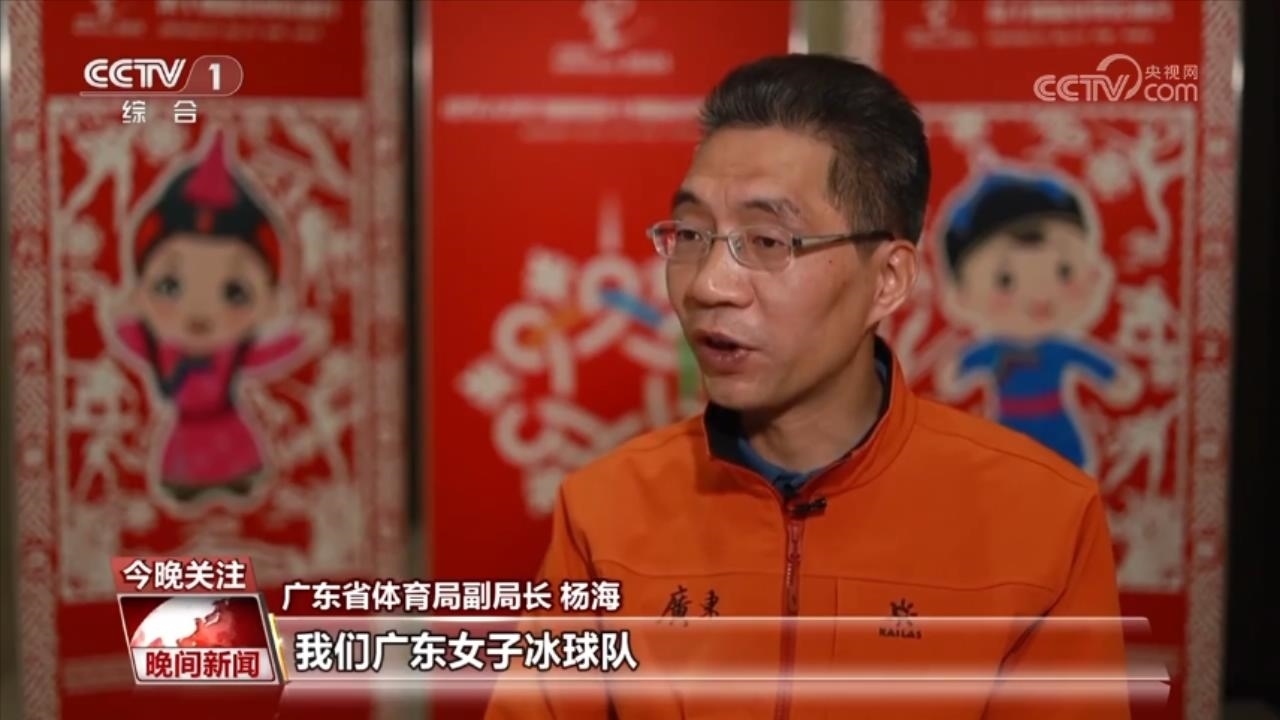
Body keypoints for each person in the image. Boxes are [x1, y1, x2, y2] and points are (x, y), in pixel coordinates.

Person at [484, 54, 1130, 720]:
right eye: (692, 234)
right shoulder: (603, 511)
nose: (708, 284)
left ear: (888, 280)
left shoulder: (1045, 520)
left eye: (768, 240)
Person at [102, 132, 322, 503]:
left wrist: (301, 339)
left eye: (235, 292)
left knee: (239, 473)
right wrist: (116, 313)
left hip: (229, 428)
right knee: (184, 479)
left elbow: (266, 355)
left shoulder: (235, 353)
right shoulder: (159, 349)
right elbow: (127, 335)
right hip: (184, 436)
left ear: (268, 304)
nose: (200, 312)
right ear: (140, 291)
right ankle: (187, 486)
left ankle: (237, 480)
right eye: (170, 286)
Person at [934, 171, 1141, 474]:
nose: (1039, 294)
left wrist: (1114, 377)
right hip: (1009, 429)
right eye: (1005, 280)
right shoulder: (994, 351)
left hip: (1058, 429)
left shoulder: (1059, 350)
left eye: (1064, 271)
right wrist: (956, 372)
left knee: (1067, 484)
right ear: (961, 295)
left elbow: (1097, 366)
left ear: (1094, 273)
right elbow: (958, 373)